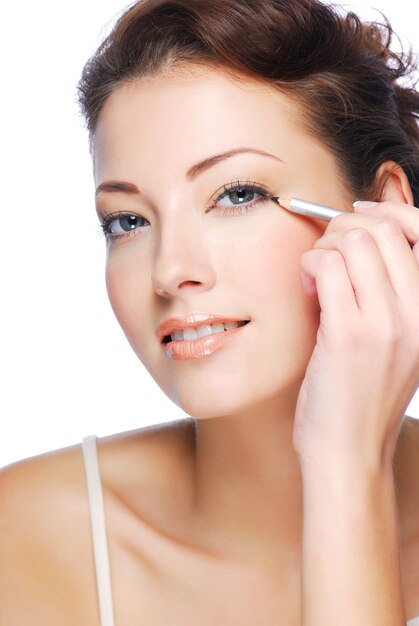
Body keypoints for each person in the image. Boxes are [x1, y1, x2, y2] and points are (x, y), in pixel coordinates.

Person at [1, 0, 419, 623]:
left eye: (237, 194)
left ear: (381, 209)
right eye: (128, 221)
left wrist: (346, 467)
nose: (170, 270)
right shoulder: (30, 536)